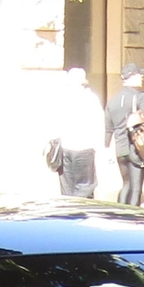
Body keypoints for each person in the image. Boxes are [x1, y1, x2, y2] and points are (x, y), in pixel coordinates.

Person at [104, 62, 144, 207]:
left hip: (120, 150)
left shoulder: (112, 100)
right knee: (136, 189)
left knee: (126, 184)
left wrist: (106, 149)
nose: (142, 77)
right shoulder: (141, 97)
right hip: (137, 148)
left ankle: (119, 215)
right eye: (139, 74)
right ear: (132, 77)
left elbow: (108, 129)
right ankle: (133, 220)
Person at [51, 65, 103, 198]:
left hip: (65, 147)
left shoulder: (61, 98)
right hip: (84, 147)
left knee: (67, 186)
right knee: (84, 185)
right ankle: (81, 212)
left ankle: (68, 212)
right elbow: (99, 123)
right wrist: (100, 146)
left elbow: (54, 122)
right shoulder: (90, 98)